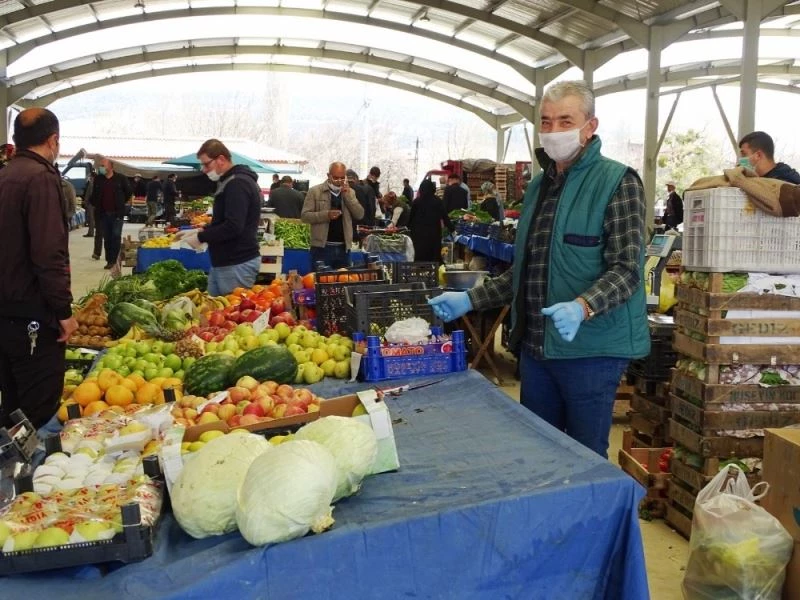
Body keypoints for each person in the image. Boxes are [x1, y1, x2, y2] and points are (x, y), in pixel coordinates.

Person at [429, 80, 649, 458]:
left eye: (565, 120)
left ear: (590, 126)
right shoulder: (538, 188)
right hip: (536, 348)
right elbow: (525, 271)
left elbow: (628, 269)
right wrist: (471, 299)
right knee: (537, 452)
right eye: (545, 122)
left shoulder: (617, 182)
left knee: (583, 458)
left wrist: (583, 306)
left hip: (591, 351)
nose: (553, 130)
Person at [0, 108, 78, 430]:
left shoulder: (4, 174)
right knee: (38, 409)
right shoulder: (42, 179)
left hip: (5, 314)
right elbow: (48, 256)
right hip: (32, 315)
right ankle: (28, 477)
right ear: (53, 140)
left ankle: (9, 472)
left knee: (12, 403)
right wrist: (63, 312)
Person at [176, 139, 262, 297]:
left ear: (221, 159)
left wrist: (201, 237)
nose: (203, 169)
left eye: (206, 164)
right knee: (213, 312)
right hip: (225, 262)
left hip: (237, 262)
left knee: (230, 315)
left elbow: (234, 226)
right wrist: (203, 230)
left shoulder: (238, 184)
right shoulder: (229, 181)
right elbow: (225, 220)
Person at [301, 161, 364, 269]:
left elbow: (359, 214)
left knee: (344, 281)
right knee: (320, 281)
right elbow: (305, 216)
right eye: (335, 178)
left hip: (344, 248)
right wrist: (326, 215)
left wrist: (347, 196)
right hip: (321, 248)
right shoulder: (315, 191)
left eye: (342, 178)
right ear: (328, 175)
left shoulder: (350, 192)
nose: (339, 181)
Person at [91, 156, 132, 269]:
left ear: (110, 167)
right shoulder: (99, 179)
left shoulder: (121, 178)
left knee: (116, 236)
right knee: (107, 237)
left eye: (103, 166)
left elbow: (128, 192)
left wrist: (120, 203)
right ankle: (109, 261)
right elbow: (94, 195)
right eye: (100, 166)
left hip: (117, 214)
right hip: (103, 214)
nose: (101, 168)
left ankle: (115, 260)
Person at [409, 179, 454, 262]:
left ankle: (419, 273)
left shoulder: (416, 202)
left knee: (420, 256)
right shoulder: (438, 201)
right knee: (433, 258)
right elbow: (445, 217)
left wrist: (408, 229)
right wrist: (452, 229)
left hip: (418, 235)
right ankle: (433, 273)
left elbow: (410, 218)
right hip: (434, 235)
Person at [83, 169, 96, 238]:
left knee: (91, 219)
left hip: (91, 204)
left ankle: (91, 233)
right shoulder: (96, 183)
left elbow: (88, 194)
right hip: (95, 204)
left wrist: (86, 202)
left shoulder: (91, 184)